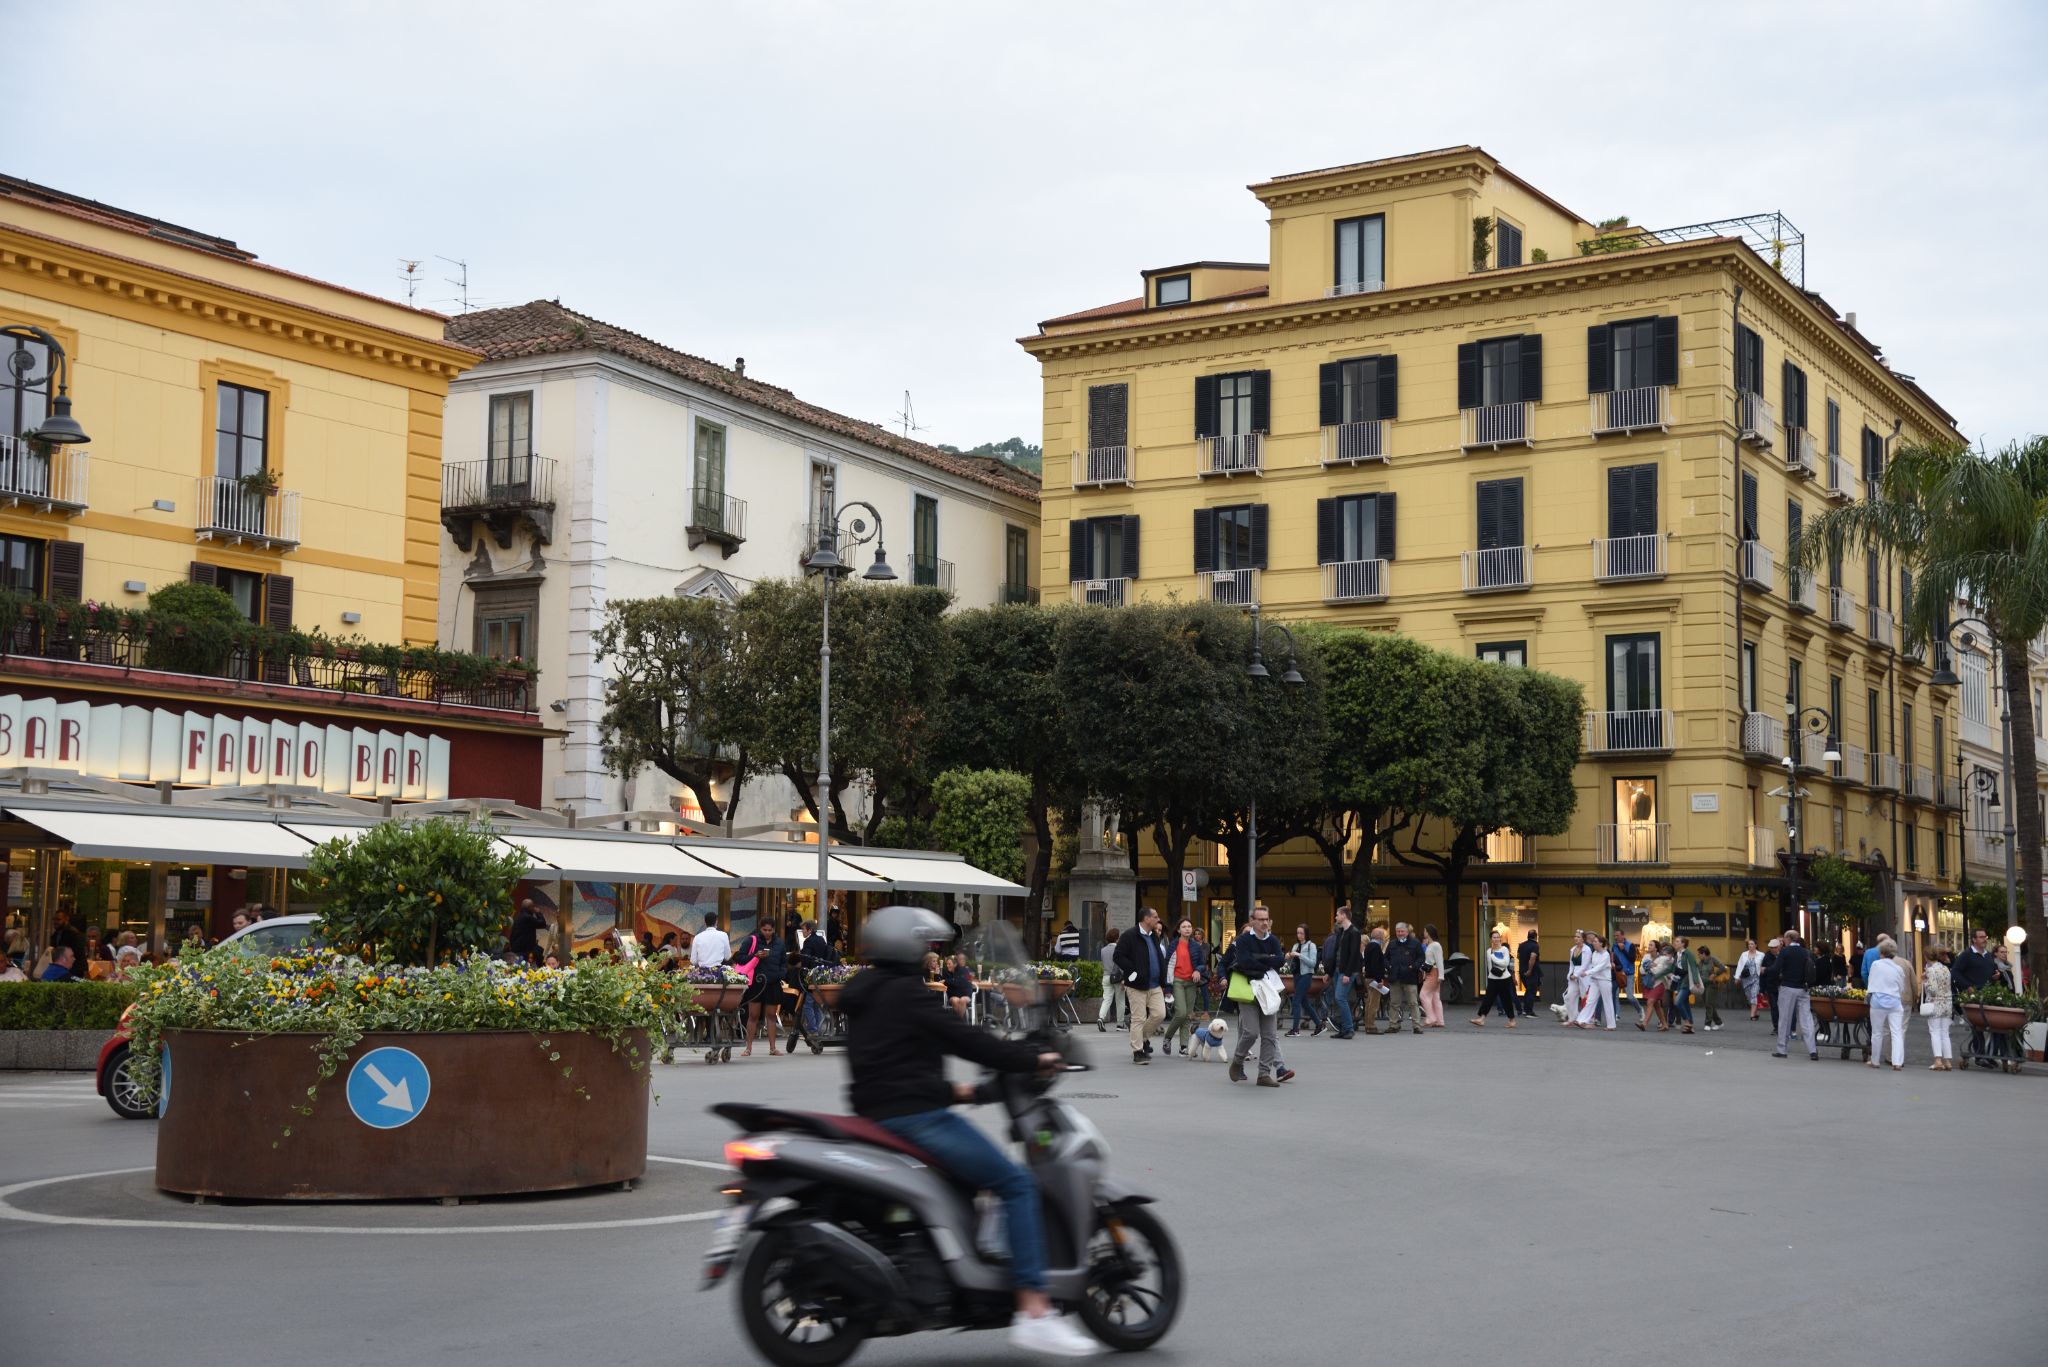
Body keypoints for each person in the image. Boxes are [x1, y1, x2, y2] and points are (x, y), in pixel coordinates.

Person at [838, 905, 1096, 1357]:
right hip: (916, 1120)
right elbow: (969, 1041)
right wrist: (1032, 1059)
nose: (928, 954)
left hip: (881, 1115)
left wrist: (960, 1092)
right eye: (923, 946)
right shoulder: (907, 994)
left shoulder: (866, 994)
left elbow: (893, 1066)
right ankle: (1035, 1310)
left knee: (974, 1184)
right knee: (1015, 1184)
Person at [1226, 905, 1289, 1087]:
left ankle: (1264, 1074)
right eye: (1260, 919)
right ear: (1252, 920)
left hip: (1268, 990)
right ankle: (1237, 1061)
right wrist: (1266, 960)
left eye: (1266, 919)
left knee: (1269, 1035)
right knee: (1251, 1032)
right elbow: (1244, 962)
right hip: (1248, 990)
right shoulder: (1244, 939)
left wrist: (1258, 959)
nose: (1264, 923)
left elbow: (1279, 960)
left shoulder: (1273, 940)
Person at [1112, 908, 1169, 1065]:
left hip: (1155, 984)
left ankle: (1142, 1038)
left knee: (1159, 1014)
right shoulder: (1130, 935)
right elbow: (1118, 956)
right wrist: (1133, 970)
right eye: (1155, 917)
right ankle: (1138, 1051)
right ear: (1146, 919)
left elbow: (1157, 957)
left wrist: (1163, 978)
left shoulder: (1154, 936)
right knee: (1138, 1018)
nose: (1158, 919)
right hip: (1137, 985)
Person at [732, 922, 785, 1058]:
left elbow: (784, 962)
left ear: (774, 929)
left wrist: (780, 975)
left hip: (772, 983)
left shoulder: (779, 943)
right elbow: (739, 958)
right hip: (756, 982)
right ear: (760, 929)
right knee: (753, 1015)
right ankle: (748, 1048)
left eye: (770, 930)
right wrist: (755, 955)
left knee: (771, 1016)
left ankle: (773, 1048)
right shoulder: (751, 940)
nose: (767, 932)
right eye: (764, 929)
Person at [1772, 930, 1821, 1061]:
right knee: (1807, 1019)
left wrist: (1767, 970)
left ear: (1788, 939)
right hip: (1804, 989)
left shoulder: (1785, 952)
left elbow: (1776, 968)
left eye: (1784, 939)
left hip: (1788, 987)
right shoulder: (1806, 952)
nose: (1783, 941)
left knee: (1785, 1019)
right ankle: (1812, 1050)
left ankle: (1782, 1049)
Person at [1160, 917, 1206, 1056]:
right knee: (1181, 1012)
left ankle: (1183, 1047)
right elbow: (1167, 966)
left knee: (1187, 1016)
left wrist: (1198, 970)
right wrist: (1167, 988)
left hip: (1191, 982)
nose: (1187, 929)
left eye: (1189, 926)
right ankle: (1167, 1037)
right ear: (1179, 930)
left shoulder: (1196, 946)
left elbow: (1202, 963)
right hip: (1177, 981)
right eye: (1184, 926)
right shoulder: (1173, 945)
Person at [1952, 928, 1997, 1066]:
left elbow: (1990, 972)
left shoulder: (1988, 956)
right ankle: (1979, 1055)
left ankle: (1988, 1055)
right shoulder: (1966, 955)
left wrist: (1995, 976)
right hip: (1974, 995)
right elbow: (1955, 972)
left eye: (1985, 936)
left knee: (1989, 1025)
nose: (1984, 939)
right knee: (1977, 1025)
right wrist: (1967, 986)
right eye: (1981, 937)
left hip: (1987, 994)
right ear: (1974, 939)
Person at [1865, 942, 1910, 1072]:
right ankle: (1897, 1062)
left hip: (1878, 1001)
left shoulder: (1876, 965)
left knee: (1877, 1032)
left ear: (1881, 953)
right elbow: (1901, 987)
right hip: (1895, 1002)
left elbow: (1871, 981)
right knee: (1897, 1032)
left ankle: (1875, 1060)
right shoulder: (1898, 968)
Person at [1326, 905, 1361, 1039]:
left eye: (1337, 914)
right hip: (1337, 970)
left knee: (1340, 998)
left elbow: (1354, 955)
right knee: (1339, 998)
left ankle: (1349, 1028)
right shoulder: (1341, 932)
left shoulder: (1354, 932)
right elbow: (1336, 953)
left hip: (1346, 971)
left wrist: (1347, 973)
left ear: (1344, 916)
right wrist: (1329, 972)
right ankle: (1343, 1029)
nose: (1336, 917)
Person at [1384, 922, 1426, 1035]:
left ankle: (1417, 1026)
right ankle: (1393, 1025)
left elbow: (1421, 957)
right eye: (1398, 931)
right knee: (1394, 1003)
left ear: (1407, 932)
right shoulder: (1392, 944)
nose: (1400, 933)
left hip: (1410, 977)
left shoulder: (1415, 943)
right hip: (1395, 977)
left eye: (1402, 931)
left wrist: (1414, 966)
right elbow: (1385, 958)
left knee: (1413, 1002)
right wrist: (1389, 966)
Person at [1470, 931, 1518, 1027]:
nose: (1496, 939)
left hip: (1504, 978)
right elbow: (1490, 967)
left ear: (1500, 938)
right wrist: (1492, 972)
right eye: (1493, 937)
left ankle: (1512, 1020)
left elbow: (1505, 963)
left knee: (1506, 999)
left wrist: (1493, 957)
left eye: (1497, 937)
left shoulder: (1504, 949)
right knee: (1488, 999)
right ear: (1491, 939)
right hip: (1493, 978)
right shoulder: (1488, 951)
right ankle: (1482, 1019)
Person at [1284, 923, 1322, 1038]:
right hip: (1296, 975)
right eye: (1298, 933)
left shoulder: (1311, 946)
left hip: (1306, 975)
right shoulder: (1295, 946)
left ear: (1306, 934)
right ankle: (1319, 1025)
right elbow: (1293, 963)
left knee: (1296, 1001)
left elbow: (1313, 963)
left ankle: (1295, 1029)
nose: (1299, 935)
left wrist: (1300, 955)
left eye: (1301, 933)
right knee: (1304, 1003)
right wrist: (1289, 956)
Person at [1922, 948, 1955, 1072]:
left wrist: (1925, 982)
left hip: (1935, 1003)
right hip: (1947, 1002)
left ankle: (1938, 1060)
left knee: (1935, 1031)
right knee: (1945, 1033)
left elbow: (1932, 989)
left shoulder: (1930, 970)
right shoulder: (1945, 968)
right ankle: (1948, 1061)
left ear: (1927, 957)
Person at [1574, 933, 1616, 1029]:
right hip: (1595, 980)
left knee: (1607, 1002)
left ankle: (1611, 1025)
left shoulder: (1606, 955)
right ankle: (1581, 1020)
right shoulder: (1594, 953)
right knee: (1590, 1001)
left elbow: (1599, 968)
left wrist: (1587, 972)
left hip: (1604, 980)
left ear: (1601, 944)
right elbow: (1593, 966)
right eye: (1593, 941)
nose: (1593, 943)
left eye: (1595, 942)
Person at [1359, 925, 1387, 1036]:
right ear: (1380, 936)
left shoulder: (1369, 946)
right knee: (1373, 1003)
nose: (1384, 937)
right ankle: (1371, 1026)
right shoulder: (1376, 947)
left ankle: (1368, 1024)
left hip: (1368, 977)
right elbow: (1376, 964)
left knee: (1369, 1002)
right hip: (1374, 979)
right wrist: (1379, 979)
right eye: (1383, 935)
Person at [1095, 929, 1124, 1034]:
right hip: (1117, 977)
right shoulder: (1119, 949)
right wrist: (1124, 978)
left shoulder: (1103, 950)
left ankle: (1101, 1018)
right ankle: (1120, 1024)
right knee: (1120, 1000)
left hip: (1106, 976)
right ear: (1117, 938)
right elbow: (1121, 964)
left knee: (1106, 999)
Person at [1696, 944, 1729, 1030]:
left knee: (1708, 1004)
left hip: (1712, 985)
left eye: (1699, 954)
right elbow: (1699, 973)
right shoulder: (1700, 963)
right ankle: (1719, 1022)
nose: (1698, 956)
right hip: (1703, 985)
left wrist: (1715, 974)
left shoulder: (1712, 959)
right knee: (1710, 1005)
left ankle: (1708, 1024)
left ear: (1704, 954)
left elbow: (1722, 967)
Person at [507, 898, 548, 964]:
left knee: (539, 950)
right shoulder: (527, 917)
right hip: (524, 949)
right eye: (533, 906)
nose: (534, 908)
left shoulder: (518, 916)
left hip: (517, 947)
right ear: (530, 907)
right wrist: (538, 913)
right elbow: (542, 924)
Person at [1420, 925, 1446, 1028]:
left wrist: (1441, 976)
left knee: (1423, 995)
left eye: (1425, 931)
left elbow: (1440, 960)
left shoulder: (1435, 945)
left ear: (1429, 932)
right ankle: (1439, 1020)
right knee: (1435, 996)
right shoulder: (1431, 944)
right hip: (1433, 972)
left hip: (1434, 973)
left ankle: (1430, 1018)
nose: (1424, 933)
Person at [1734, 939, 1765, 1019]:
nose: (1750, 945)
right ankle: (1756, 1011)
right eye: (1749, 944)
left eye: (1752, 944)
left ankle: (1752, 1015)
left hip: (1756, 978)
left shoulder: (1761, 955)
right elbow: (1740, 966)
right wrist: (1737, 977)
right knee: (1749, 996)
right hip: (1746, 978)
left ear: (1756, 945)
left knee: (1754, 994)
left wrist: (1763, 969)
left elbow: (1764, 964)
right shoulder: (1744, 954)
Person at [1516, 929, 1543, 1017]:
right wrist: (1529, 970)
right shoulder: (1535, 946)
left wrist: (1524, 965)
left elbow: (1518, 956)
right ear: (1536, 936)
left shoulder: (1521, 945)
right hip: (1531, 972)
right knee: (1531, 991)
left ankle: (1525, 1009)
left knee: (1528, 990)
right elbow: (1533, 957)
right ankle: (1528, 1011)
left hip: (1522, 970)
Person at [942, 952, 976, 1019]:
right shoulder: (946, 972)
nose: (947, 965)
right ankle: (961, 1023)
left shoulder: (963, 970)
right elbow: (946, 983)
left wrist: (948, 981)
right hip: (953, 995)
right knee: (955, 1000)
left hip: (965, 995)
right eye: (947, 964)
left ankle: (958, 1022)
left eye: (949, 964)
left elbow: (962, 982)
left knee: (962, 999)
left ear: (955, 964)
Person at [1760, 938, 1783, 1032]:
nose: (1773, 949)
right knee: (1774, 1007)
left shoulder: (1783, 955)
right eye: (1771, 947)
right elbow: (1762, 973)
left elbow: (1769, 969)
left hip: (1782, 984)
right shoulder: (1767, 957)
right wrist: (1762, 989)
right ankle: (1776, 1027)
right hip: (1771, 985)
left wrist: (1768, 970)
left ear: (1779, 947)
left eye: (1775, 947)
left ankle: (1783, 1026)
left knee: (1783, 1007)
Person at [1611, 929, 1638, 1005]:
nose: (1616, 937)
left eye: (1617, 935)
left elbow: (1632, 959)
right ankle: (1617, 1016)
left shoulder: (1630, 945)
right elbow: (1613, 958)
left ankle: (1640, 1010)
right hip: (1617, 973)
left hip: (1628, 973)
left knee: (1630, 996)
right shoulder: (1614, 946)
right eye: (1614, 936)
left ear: (1622, 936)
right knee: (1615, 996)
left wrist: (1623, 950)